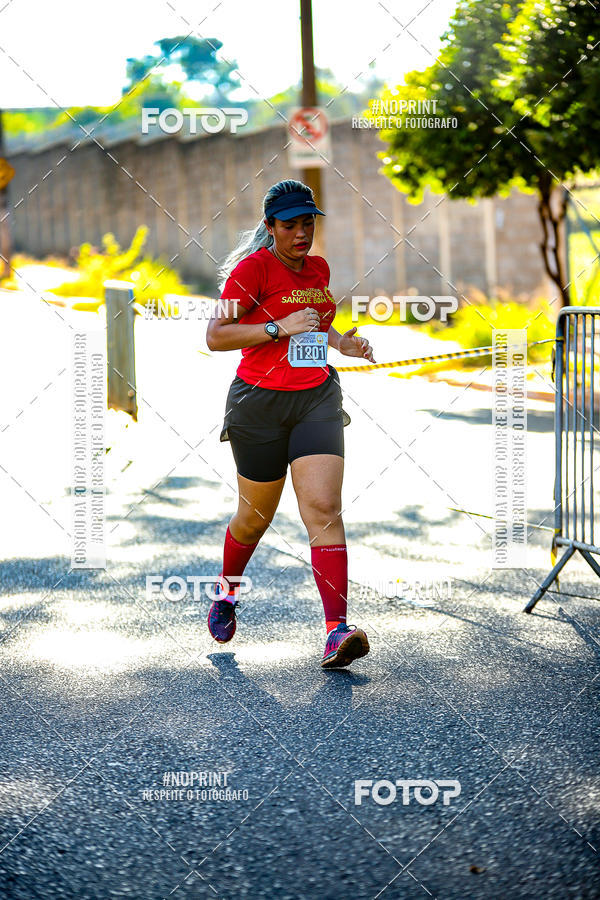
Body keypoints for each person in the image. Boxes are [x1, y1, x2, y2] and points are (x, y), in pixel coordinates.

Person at [205, 179, 375, 668]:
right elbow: (215, 335)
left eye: (308, 223)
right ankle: (227, 590)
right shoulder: (251, 271)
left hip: (315, 398)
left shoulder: (318, 268)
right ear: (270, 227)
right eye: (290, 224)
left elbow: (317, 326)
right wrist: (277, 328)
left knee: (323, 507)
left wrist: (344, 344)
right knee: (254, 518)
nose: (301, 233)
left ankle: (335, 631)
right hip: (257, 405)